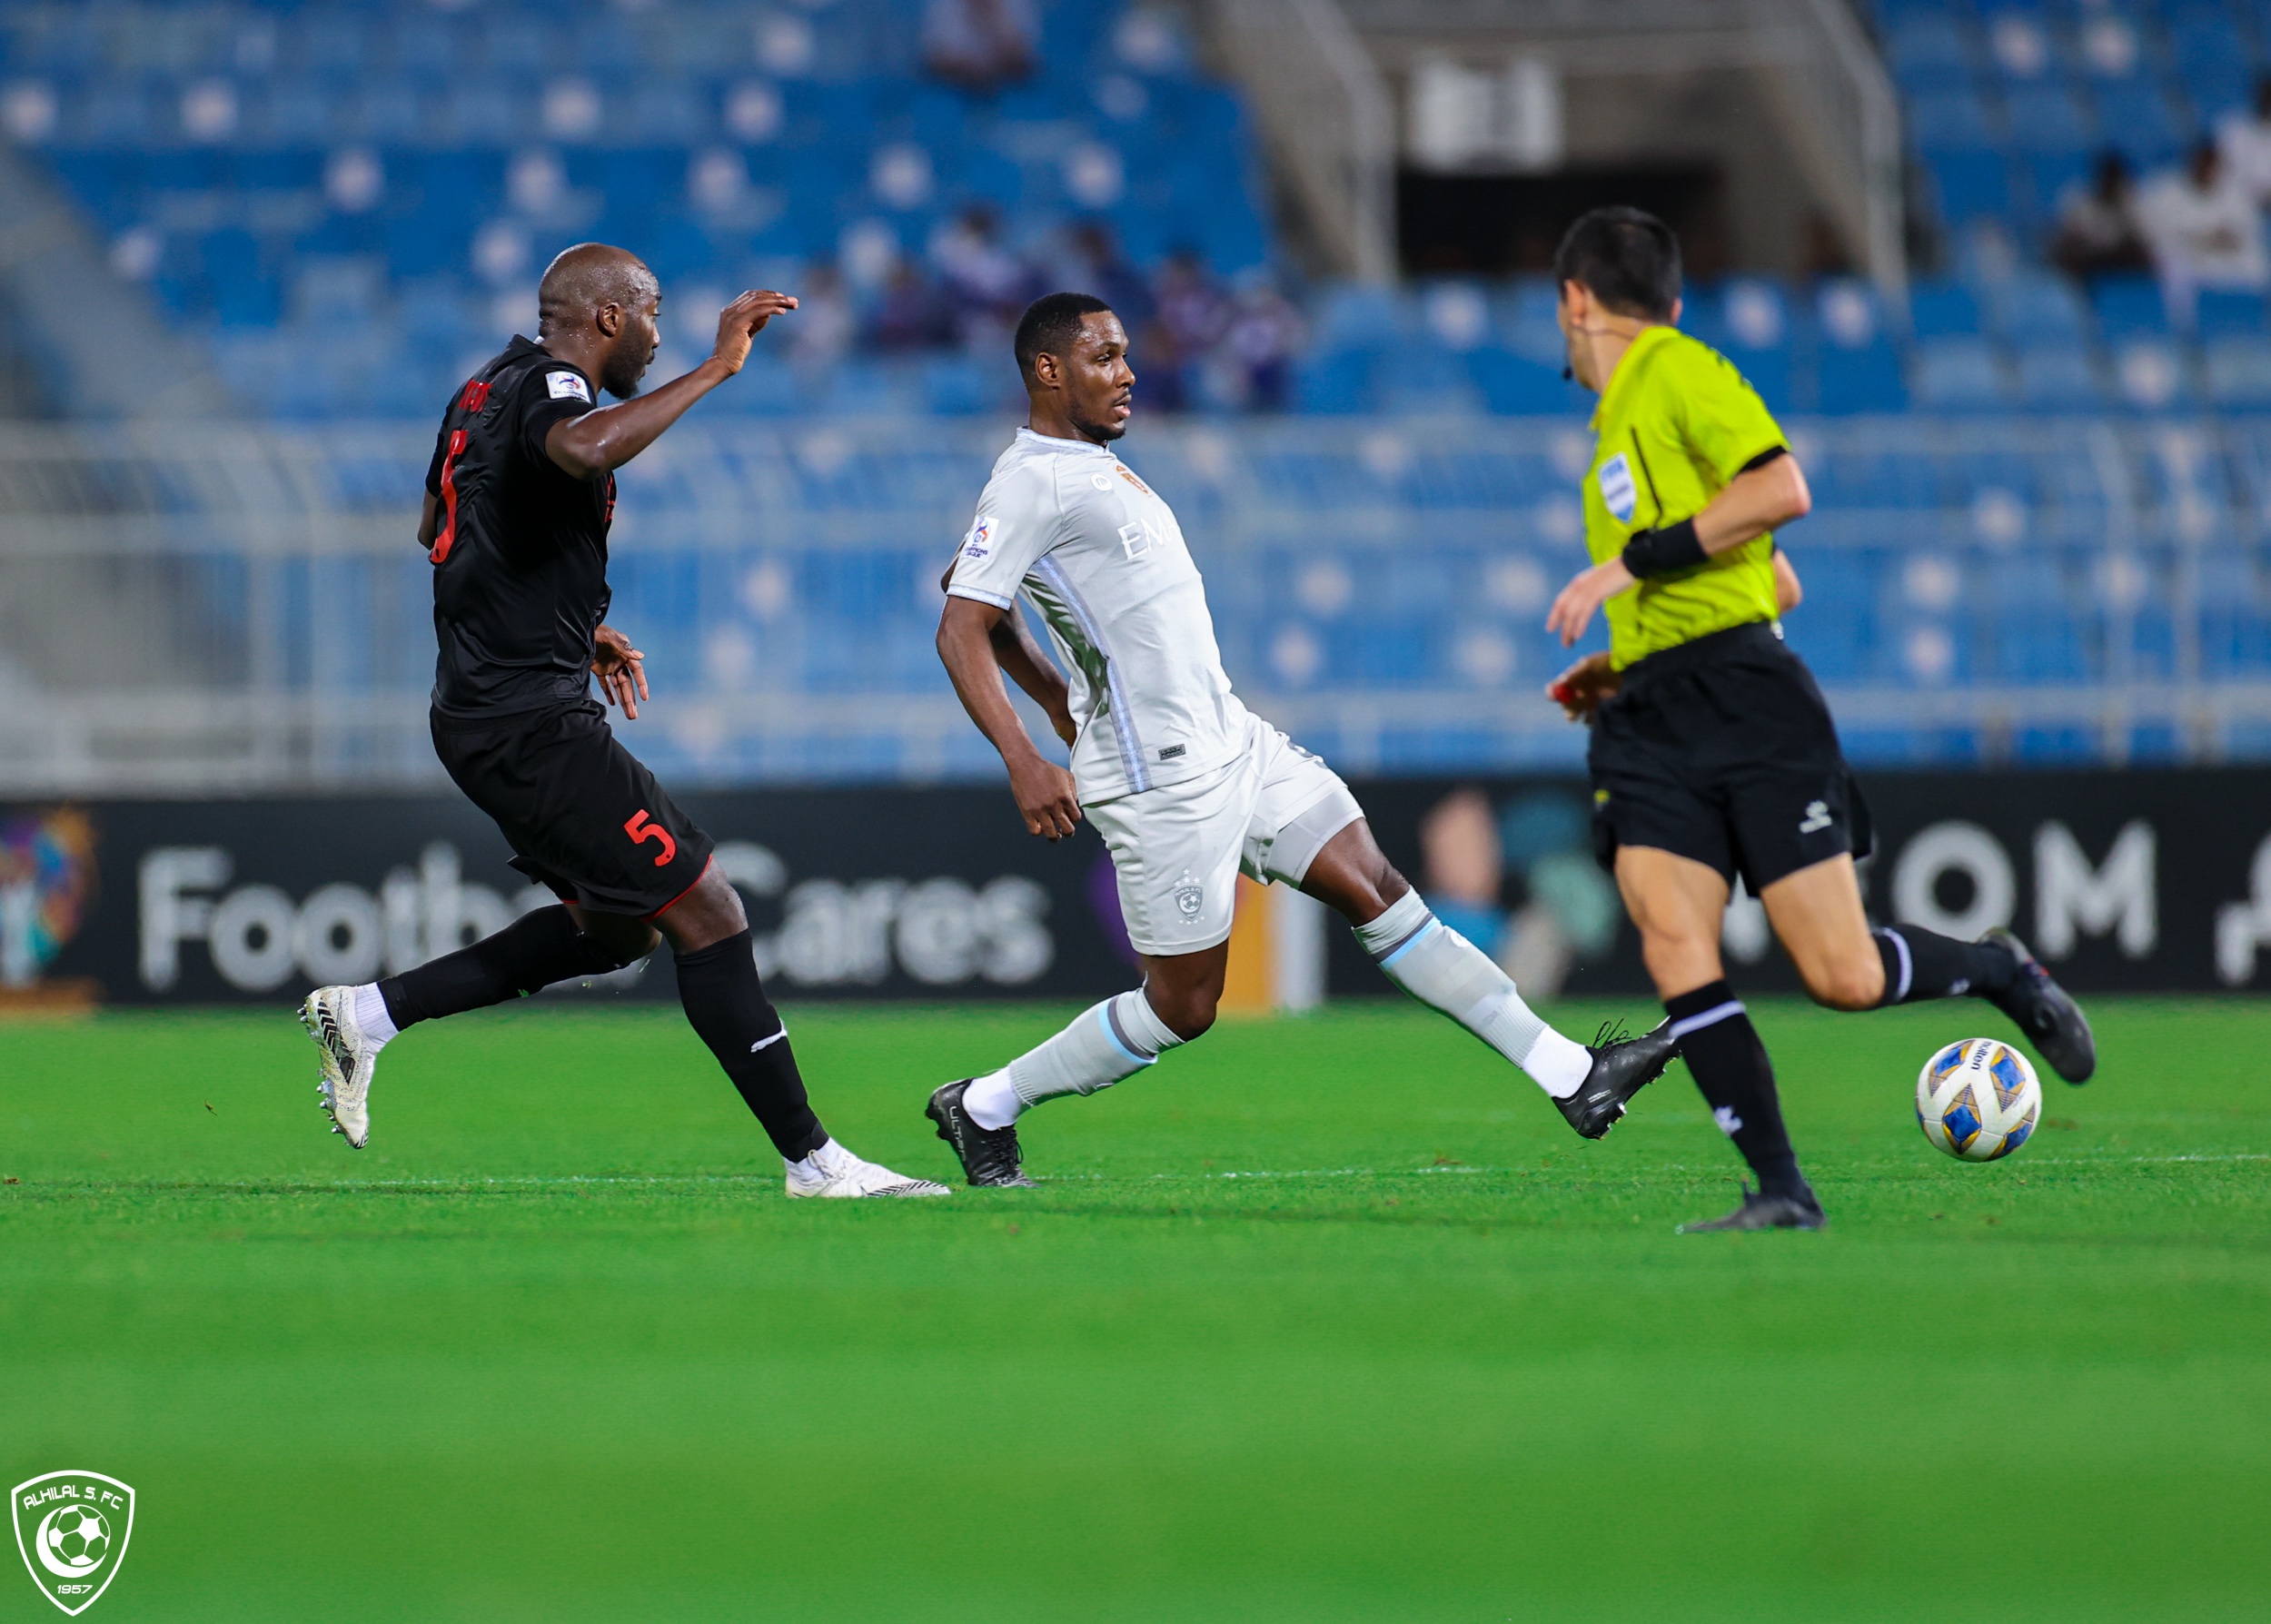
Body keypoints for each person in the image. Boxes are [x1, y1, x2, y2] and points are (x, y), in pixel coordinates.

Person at [920, 292, 1680, 1188]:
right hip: (1159, 779)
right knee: (1184, 1008)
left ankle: (1572, 1077)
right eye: (1102, 359)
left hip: (1235, 743)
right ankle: (982, 1106)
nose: (1127, 374)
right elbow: (962, 618)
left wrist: (1058, 698)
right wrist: (1026, 756)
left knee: (1383, 895)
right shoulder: (1031, 479)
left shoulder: (1092, 467)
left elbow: (985, 601)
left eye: (1126, 355)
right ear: (1047, 372)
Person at [296, 243, 946, 1200]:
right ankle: (815, 1162)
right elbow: (584, 447)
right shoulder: (558, 384)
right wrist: (718, 368)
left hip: (490, 707)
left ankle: (370, 1014)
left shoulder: (483, 387)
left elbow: (444, 524)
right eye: (648, 314)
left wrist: (575, 626)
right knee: (709, 909)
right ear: (607, 317)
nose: (654, 333)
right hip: (528, 720)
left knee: (617, 931)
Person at [1541, 207, 2097, 1233]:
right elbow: (1773, 580)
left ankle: (1997, 969)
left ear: (1578, 301)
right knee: (1673, 938)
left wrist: (1637, 562)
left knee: (1841, 977)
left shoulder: (1676, 369)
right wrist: (1623, 659)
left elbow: (1781, 489)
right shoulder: (1615, 427)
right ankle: (1781, 1192)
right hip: (1651, 715)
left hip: (1750, 704)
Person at [2136, 137, 2270, 301]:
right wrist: (2199, 239)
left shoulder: (2235, 194)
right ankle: (2184, 324)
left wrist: (2220, 239)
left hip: (2225, 258)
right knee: (2173, 268)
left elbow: (2245, 234)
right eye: (2202, 165)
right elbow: (2155, 235)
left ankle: (2255, 318)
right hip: (2190, 258)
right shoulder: (2165, 192)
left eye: (2210, 166)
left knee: (2257, 264)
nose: (2206, 171)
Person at [2050, 150, 2152, 281]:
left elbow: (2140, 240)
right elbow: (2069, 241)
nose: (2112, 189)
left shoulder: (2130, 205)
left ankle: (2136, 294)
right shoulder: (2080, 205)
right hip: (2091, 259)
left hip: (2117, 258)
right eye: (2109, 183)